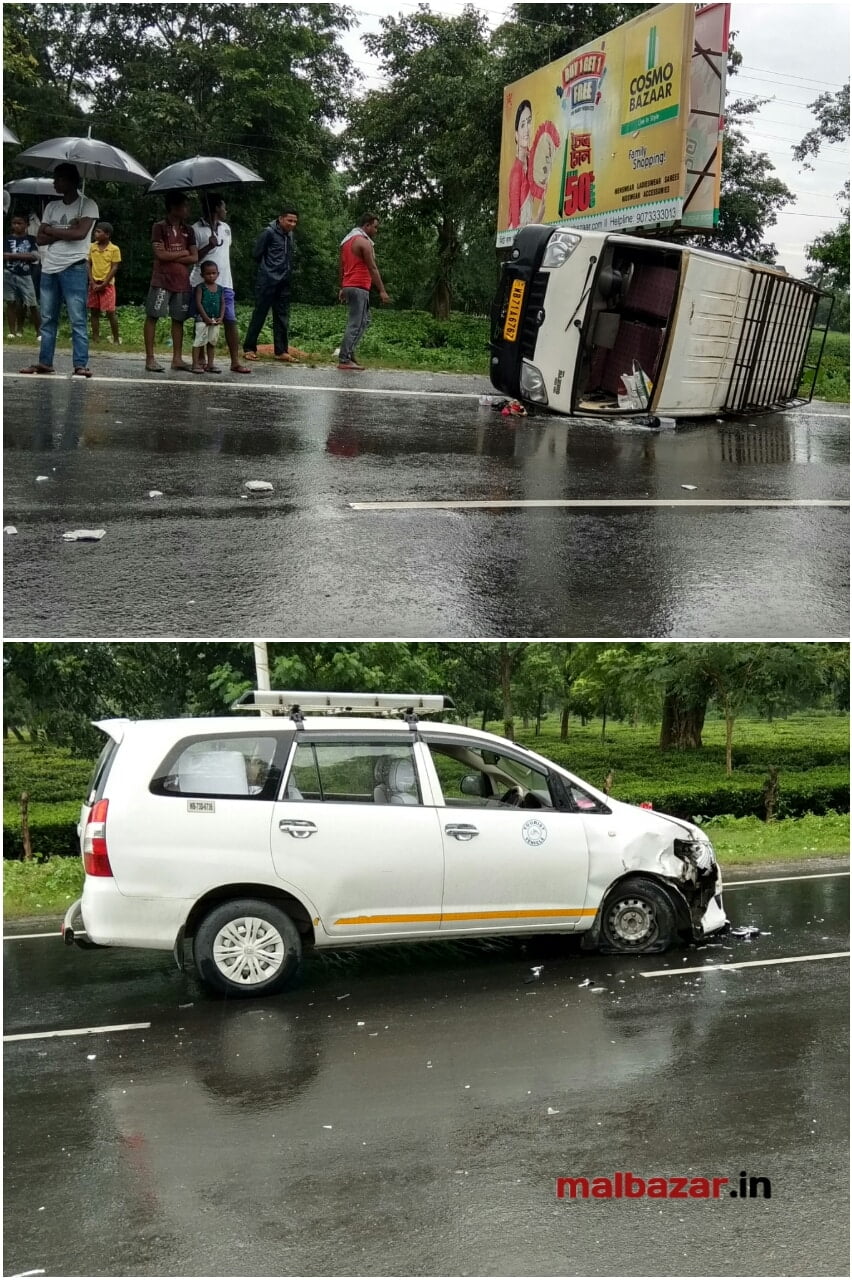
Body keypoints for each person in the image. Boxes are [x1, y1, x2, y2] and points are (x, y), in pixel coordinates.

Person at [20, 162, 98, 377]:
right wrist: (65, 230)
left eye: (59, 179)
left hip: (74, 267)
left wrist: (54, 231)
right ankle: (45, 361)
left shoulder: (88, 205)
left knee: (77, 318)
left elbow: (80, 234)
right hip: (50, 267)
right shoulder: (52, 207)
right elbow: (40, 238)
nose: (54, 183)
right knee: (47, 318)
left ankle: (80, 363)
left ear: (71, 181)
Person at [189, 192, 250, 374]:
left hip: (224, 284)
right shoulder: (195, 229)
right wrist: (209, 245)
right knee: (201, 323)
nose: (226, 210)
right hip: (201, 284)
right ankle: (200, 359)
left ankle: (235, 361)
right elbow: (193, 258)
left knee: (230, 320)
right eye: (223, 206)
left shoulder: (226, 228)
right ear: (216, 208)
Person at [242, 204, 305, 363]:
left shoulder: (289, 236)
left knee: (282, 316)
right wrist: (268, 270)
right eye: (289, 220)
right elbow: (256, 254)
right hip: (267, 280)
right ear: (281, 218)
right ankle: (249, 348)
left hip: (284, 281)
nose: (292, 224)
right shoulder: (268, 233)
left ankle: (281, 351)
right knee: (260, 314)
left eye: (295, 221)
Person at [144, 189, 197, 374]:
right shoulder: (159, 227)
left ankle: (177, 358)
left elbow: (194, 257)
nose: (187, 209)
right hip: (162, 279)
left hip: (182, 280)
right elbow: (159, 254)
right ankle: (150, 358)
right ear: (173, 207)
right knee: (153, 315)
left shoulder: (188, 230)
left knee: (179, 319)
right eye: (184, 206)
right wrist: (182, 253)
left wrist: (172, 256)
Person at [337, 213, 390, 372]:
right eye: (375, 227)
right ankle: (344, 358)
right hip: (359, 286)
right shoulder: (363, 242)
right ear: (366, 225)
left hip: (350, 285)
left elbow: (342, 266)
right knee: (356, 323)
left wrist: (342, 287)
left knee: (364, 320)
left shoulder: (347, 241)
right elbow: (372, 268)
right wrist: (382, 290)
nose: (376, 230)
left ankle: (349, 353)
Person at [507, 99, 550, 230]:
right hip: (521, 237)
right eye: (522, 125)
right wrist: (539, 217)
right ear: (516, 135)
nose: (527, 129)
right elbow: (516, 227)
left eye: (529, 122)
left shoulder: (531, 161)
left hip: (530, 229)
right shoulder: (516, 172)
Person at [4, 212, 40, 339]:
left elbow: (34, 256)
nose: (16, 226)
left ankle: (39, 332)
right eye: (14, 223)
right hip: (8, 273)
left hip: (25, 274)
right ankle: (12, 332)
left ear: (26, 225)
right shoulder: (6, 239)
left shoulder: (31, 239)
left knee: (32, 303)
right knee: (11, 302)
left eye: (19, 223)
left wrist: (12, 255)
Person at [87, 221, 121, 345]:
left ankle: (116, 339)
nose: (95, 233)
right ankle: (96, 338)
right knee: (94, 311)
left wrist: (104, 283)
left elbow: (114, 267)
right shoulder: (92, 247)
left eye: (98, 231)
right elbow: (88, 264)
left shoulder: (114, 249)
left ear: (107, 235)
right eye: (95, 231)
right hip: (94, 283)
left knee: (110, 312)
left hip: (108, 285)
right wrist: (91, 281)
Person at [191, 259, 226, 374]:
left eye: (213, 273)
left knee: (212, 342)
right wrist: (205, 317)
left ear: (217, 274)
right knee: (199, 341)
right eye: (208, 273)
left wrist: (221, 317)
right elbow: (198, 303)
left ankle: (210, 364)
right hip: (202, 319)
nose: (211, 276)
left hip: (215, 319)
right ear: (202, 275)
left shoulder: (220, 288)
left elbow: (223, 303)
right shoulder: (201, 287)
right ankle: (195, 364)